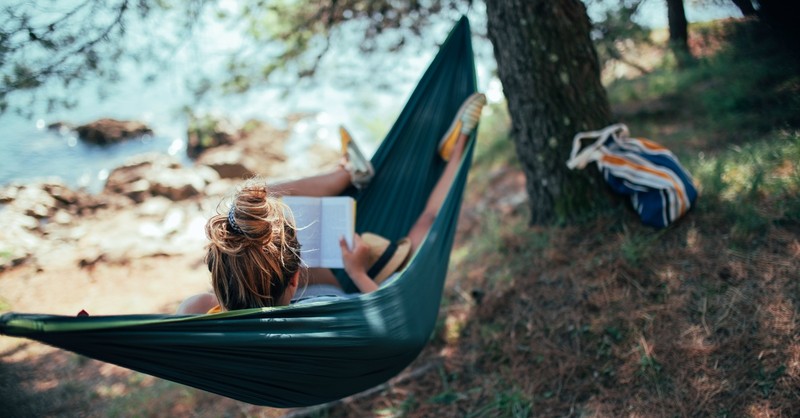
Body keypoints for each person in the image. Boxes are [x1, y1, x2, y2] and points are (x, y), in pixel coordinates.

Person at [177, 92, 486, 314]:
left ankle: (347, 174)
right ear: (296, 278)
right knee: (427, 221)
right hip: (342, 281)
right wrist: (357, 272)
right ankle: (455, 149)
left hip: (271, 291)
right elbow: (394, 315)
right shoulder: (327, 313)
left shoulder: (200, 312)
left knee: (252, 204)